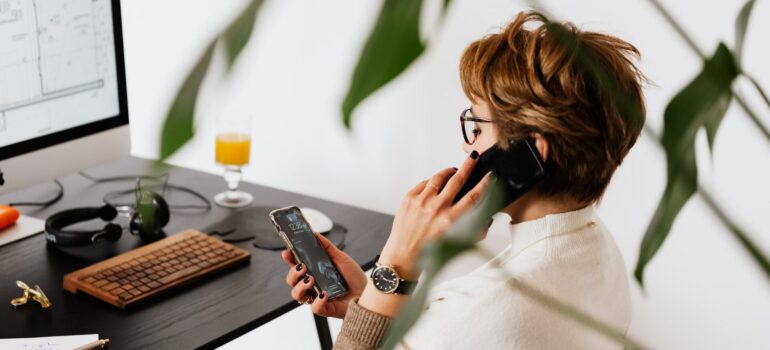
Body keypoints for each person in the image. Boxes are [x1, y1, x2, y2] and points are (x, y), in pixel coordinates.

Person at [281, 11, 645, 349]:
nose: (467, 142)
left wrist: (395, 263)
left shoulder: (482, 311)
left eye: (477, 124)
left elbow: (462, 329)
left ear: (531, 149)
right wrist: (370, 300)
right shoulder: (597, 248)